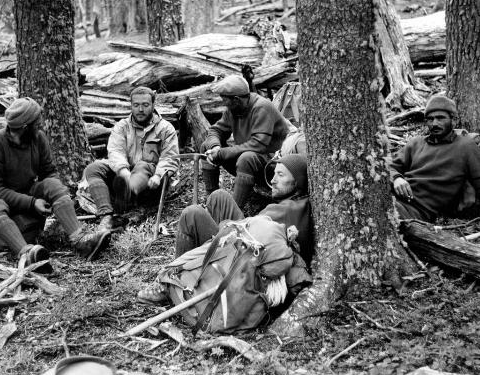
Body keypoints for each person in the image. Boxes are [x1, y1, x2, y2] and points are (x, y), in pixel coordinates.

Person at [138, 153, 314, 304]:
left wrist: (222, 227)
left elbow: (246, 234)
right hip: (249, 244)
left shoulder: (285, 211)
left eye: (281, 175)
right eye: (274, 174)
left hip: (243, 258)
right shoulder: (298, 203)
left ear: (297, 181)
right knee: (219, 197)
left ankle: (171, 285)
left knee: (192, 214)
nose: (273, 181)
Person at [0, 97, 111, 273]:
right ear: (24, 126)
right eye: (37, 122)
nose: (41, 124)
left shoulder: (38, 138)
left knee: (52, 183)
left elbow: (49, 172)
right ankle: (26, 254)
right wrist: (31, 202)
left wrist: (57, 197)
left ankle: (81, 240)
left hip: (25, 190)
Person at [389, 95, 480, 238]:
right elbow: (387, 168)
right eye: (430, 119)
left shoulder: (465, 147)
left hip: (415, 211)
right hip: (391, 196)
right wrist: (396, 178)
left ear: (454, 119)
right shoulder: (415, 143)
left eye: (440, 118)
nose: (434, 123)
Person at [84, 86, 179, 231]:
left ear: (153, 105)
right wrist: (124, 172)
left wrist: (159, 175)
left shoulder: (166, 128)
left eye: (145, 105)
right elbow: (115, 152)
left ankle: (126, 193)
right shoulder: (122, 127)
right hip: (125, 176)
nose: (140, 109)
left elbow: (170, 157)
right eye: (136, 105)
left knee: (142, 165)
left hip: (151, 183)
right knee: (93, 168)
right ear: (131, 106)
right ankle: (106, 215)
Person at [201, 74, 292, 208]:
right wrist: (215, 147)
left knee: (246, 158)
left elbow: (258, 144)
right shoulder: (233, 109)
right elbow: (216, 131)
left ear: (236, 99)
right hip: (255, 162)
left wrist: (221, 153)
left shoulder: (262, 107)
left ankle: (234, 212)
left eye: (224, 99)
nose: (223, 103)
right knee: (206, 146)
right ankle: (212, 200)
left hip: (274, 167)